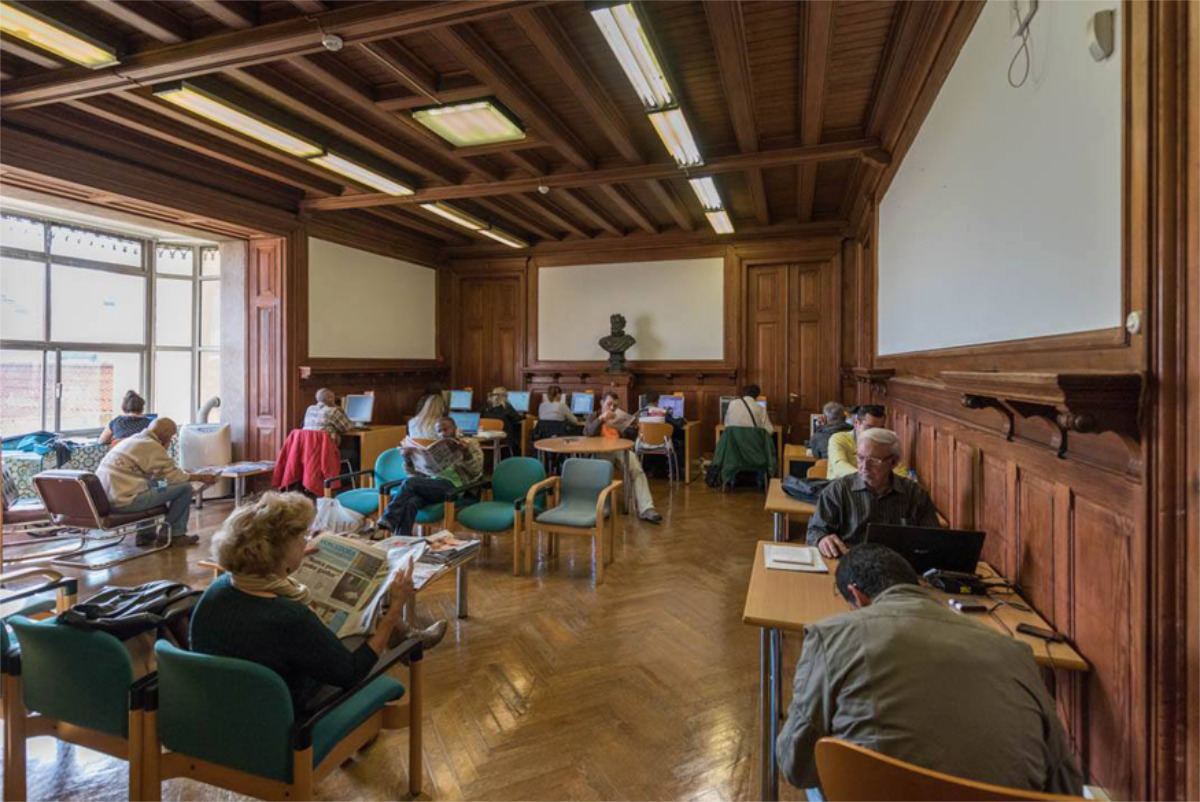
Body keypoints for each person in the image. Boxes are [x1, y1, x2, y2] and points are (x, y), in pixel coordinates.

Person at [776, 544, 1082, 796]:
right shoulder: (1017, 653)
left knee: (822, 774)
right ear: (918, 584)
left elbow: (796, 765)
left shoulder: (833, 635)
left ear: (856, 596)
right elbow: (1066, 786)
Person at [190, 492, 442, 715]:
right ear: (278, 551)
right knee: (366, 622)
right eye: (301, 537)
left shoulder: (216, 590)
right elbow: (350, 673)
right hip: (285, 720)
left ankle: (406, 635)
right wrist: (395, 606)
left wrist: (289, 563)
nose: (306, 539)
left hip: (218, 710)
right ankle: (406, 640)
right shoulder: (289, 617)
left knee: (356, 613)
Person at [807, 428, 939, 558]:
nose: (864, 466)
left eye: (874, 461)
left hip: (897, 565)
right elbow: (815, 531)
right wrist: (822, 539)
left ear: (893, 462)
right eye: (860, 458)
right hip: (850, 562)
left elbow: (933, 539)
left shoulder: (915, 493)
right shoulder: (838, 490)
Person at [96, 417, 217, 546]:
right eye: (171, 437)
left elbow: (166, 478)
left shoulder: (133, 439)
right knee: (185, 488)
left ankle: (145, 534)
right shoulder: (152, 446)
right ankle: (174, 534)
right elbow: (175, 477)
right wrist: (200, 477)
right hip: (125, 501)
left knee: (159, 486)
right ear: (166, 436)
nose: (171, 441)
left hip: (108, 499)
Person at [379, 417, 484, 536]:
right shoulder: (435, 446)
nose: (443, 434)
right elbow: (415, 474)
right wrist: (408, 459)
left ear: (455, 428)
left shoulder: (470, 444)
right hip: (432, 486)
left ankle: (388, 519)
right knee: (411, 501)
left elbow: (476, 471)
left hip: (454, 487)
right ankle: (403, 540)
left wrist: (466, 453)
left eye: (446, 429)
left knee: (409, 483)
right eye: (439, 431)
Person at [583, 392, 662, 524]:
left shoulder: (619, 415)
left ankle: (647, 509)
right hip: (601, 451)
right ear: (601, 403)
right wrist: (602, 419)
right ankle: (602, 507)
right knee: (603, 472)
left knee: (637, 469)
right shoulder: (593, 416)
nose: (612, 408)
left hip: (620, 450)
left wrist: (632, 427)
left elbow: (630, 438)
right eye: (609, 404)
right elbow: (587, 433)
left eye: (615, 406)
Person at [827, 404, 908, 479]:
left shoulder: (885, 443)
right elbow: (840, 467)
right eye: (869, 428)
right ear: (856, 424)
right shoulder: (838, 439)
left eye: (879, 429)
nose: (874, 433)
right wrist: (870, 479)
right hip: (841, 490)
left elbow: (901, 474)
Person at [481, 386, 524, 452]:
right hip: (503, 440)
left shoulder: (485, 408)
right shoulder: (507, 407)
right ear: (505, 397)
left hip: (487, 440)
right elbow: (517, 419)